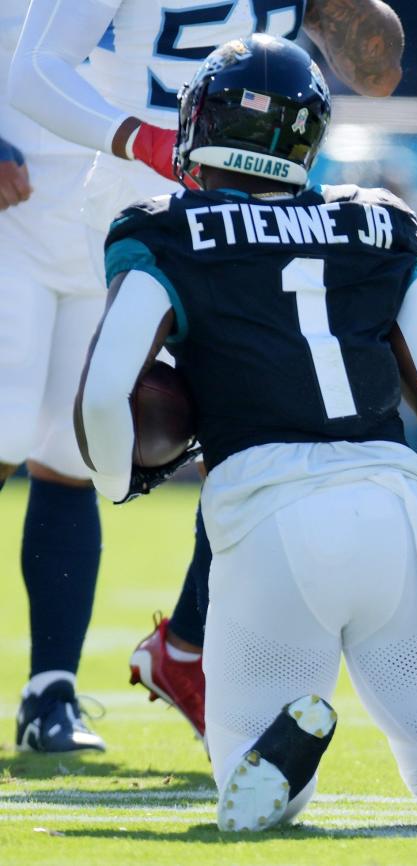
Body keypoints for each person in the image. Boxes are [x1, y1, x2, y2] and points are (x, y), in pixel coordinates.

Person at [73, 35, 417, 835]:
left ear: (202, 122)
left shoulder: (167, 228)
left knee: (248, 778)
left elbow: (108, 391)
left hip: (265, 510)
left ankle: (291, 741)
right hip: (394, 504)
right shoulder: (376, 224)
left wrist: (117, 479)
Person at [9, 0, 405, 742]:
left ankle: (136, 664)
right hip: (74, 199)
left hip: (208, 214)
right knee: (11, 435)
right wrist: (145, 138)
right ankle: (166, 655)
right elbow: (31, 67)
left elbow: (377, 70)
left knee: (253, 425)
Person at [0, 0, 106, 753]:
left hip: (109, 221)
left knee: (72, 459)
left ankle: (51, 693)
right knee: (1, 432)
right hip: (12, 211)